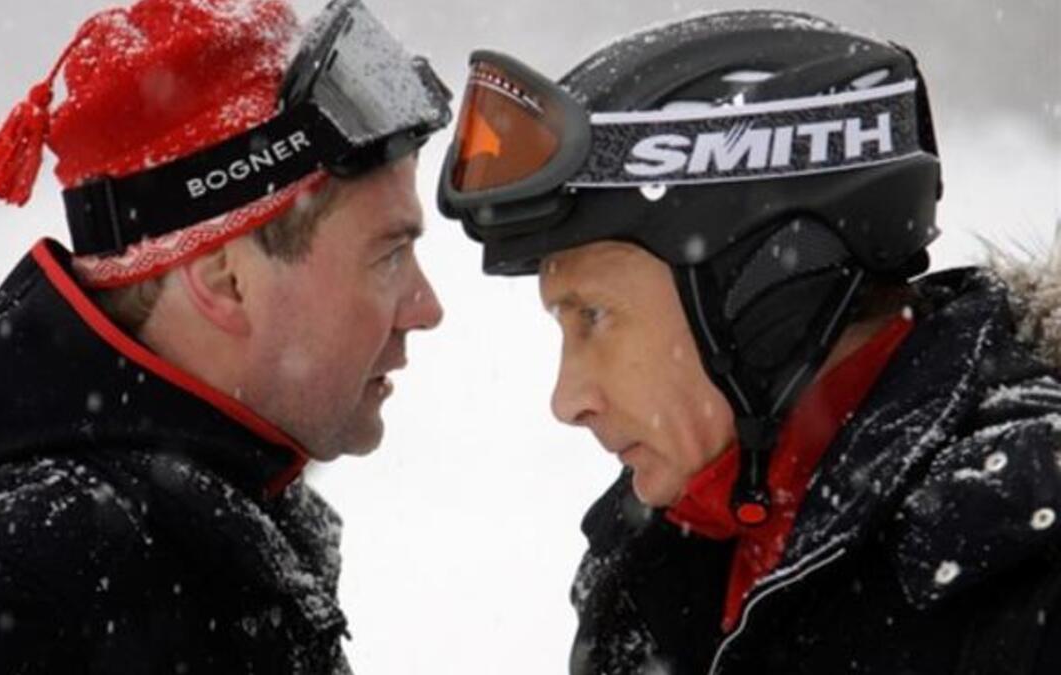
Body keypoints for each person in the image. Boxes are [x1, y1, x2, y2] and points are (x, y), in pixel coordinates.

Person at [438, 10, 1061, 674]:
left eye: (594, 314)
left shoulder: (1025, 570)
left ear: (766, 285)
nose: (568, 400)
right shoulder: (659, 566)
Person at [0, 0, 449, 672]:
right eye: (389, 255)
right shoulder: (5, 601)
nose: (426, 307)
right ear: (226, 280)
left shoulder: (207, 532)